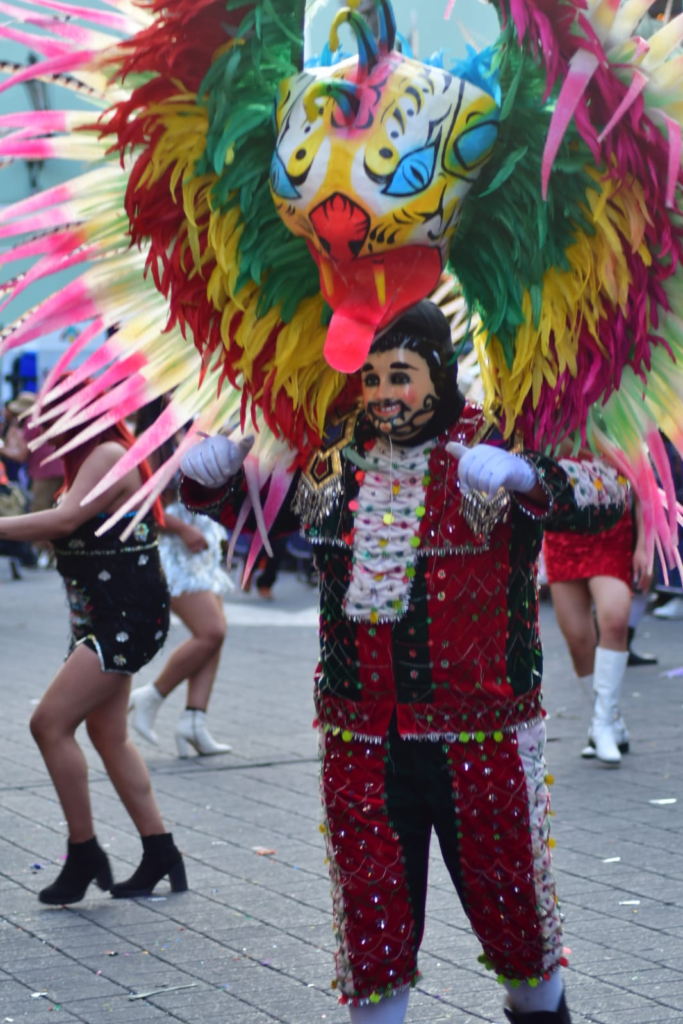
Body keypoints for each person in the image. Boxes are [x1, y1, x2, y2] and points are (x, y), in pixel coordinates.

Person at [178, 301, 624, 1024]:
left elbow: (609, 498)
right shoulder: (333, 453)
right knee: (371, 931)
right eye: (370, 377)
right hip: (359, 742)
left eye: (400, 375)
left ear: (438, 373)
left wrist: (525, 475)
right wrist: (212, 480)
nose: (384, 393)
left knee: (516, 925)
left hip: (479, 739)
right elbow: (258, 521)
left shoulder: (489, 440)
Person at [0, 395, 187, 904]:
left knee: (48, 724)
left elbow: (62, 525)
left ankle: (83, 853)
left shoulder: (106, 453)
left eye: (44, 413)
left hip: (124, 619)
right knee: (108, 734)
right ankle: (160, 850)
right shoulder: (87, 462)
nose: (35, 425)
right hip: (103, 617)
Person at [128, 399, 231, 756]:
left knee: (216, 633)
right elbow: (137, 504)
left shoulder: (191, 430)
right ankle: (151, 696)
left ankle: (194, 720)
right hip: (173, 548)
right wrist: (182, 529)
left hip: (201, 543)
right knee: (211, 631)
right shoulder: (151, 440)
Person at [543, 470, 653, 767]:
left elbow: (644, 487)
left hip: (611, 535)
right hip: (561, 536)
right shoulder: (546, 423)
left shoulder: (621, 425)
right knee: (579, 642)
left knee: (615, 621)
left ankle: (603, 724)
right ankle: (607, 722)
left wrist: (644, 545)